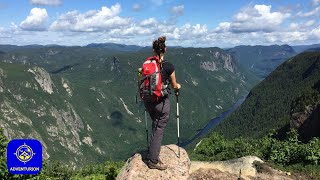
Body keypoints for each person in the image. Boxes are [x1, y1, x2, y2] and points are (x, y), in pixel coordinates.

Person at [144, 36, 181, 170]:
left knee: (156, 123)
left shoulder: (148, 64)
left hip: (148, 101)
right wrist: (178, 87)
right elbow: (174, 85)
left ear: (153, 50)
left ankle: (152, 151)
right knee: (159, 127)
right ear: (165, 49)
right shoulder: (168, 66)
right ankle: (153, 160)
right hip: (161, 102)